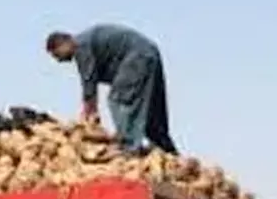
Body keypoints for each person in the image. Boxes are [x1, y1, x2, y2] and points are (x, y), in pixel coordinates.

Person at [45, 23, 179, 156]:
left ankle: (129, 145)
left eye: (57, 55)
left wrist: (89, 112)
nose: (59, 60)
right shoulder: (85, 42)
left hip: (138, 56)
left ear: (63, 44)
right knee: (151, 108)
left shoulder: (80, 46)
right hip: (148, 52)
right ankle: (166, 149)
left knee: (119, 98)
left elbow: (89, 81)